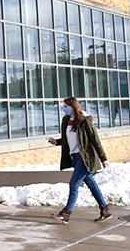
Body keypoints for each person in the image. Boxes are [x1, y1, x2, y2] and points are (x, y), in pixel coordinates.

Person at [48, 96, 112, 224]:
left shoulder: (84, 121)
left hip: (84, 158)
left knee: (74, 184)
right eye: (64, 106)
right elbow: (67, 139)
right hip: (74, 158)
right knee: (91, 184)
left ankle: (66, 213)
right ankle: (105, 209)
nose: (64, 109)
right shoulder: (66, 121)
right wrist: (57, 142)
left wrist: (103, 158)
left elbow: (95, 141)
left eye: (66, 106)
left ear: (73, 107)